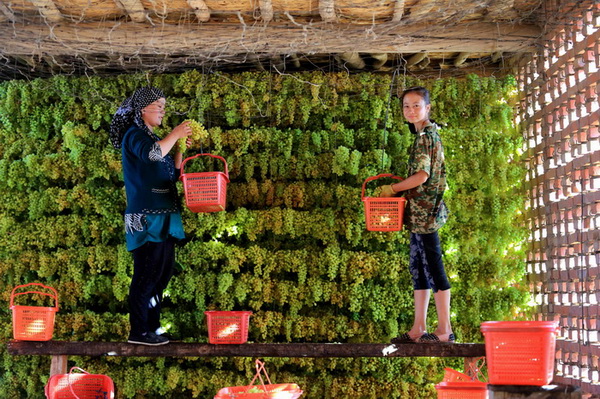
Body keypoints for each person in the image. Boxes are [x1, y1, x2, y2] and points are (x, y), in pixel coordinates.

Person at [110, 87, 192, 346]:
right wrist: (175, 133)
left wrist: (178, 148)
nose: (163, 110)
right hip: (145, 218)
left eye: (163, 105)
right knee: (147, 273)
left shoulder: (153, 138)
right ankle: (138, 332)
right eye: (159, 105)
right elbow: (153, 154)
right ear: (143, 109)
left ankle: (153, 328)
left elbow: (173, 174)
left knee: (162, 274)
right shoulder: (134, 136)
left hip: (165, 216)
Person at [380, 86, 454, 343]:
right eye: (406, 106)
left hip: (426, 214)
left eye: (416, 105)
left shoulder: (426, 138)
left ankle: (445, 330)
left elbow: (422, 176)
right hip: (419, 214)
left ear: (427, 108)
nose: (410, 111)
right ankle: (417, 329)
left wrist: (392, 189)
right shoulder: (425, 134)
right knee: (418, 269)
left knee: (433, 267)